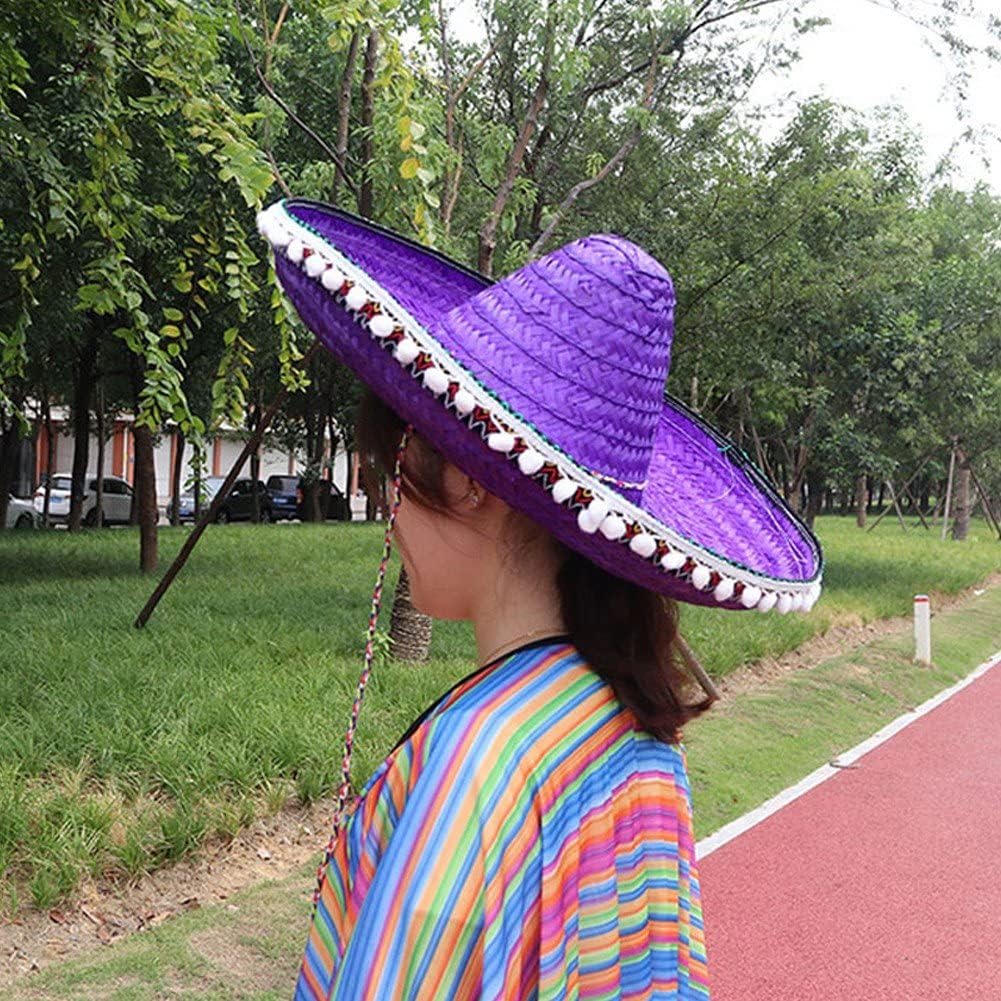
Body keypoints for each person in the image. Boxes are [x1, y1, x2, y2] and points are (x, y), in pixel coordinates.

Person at [255, 198, 824, 999]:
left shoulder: (478, 762)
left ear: (465, 478)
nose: (389, 513)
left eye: (394, 471)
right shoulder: (634, 727)